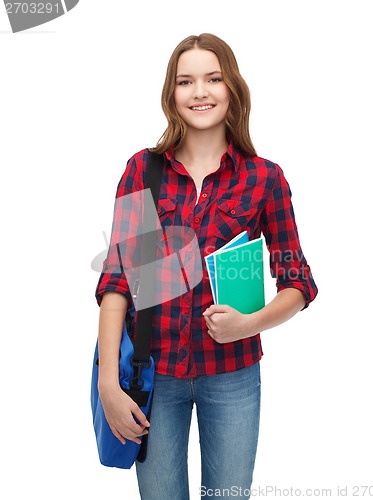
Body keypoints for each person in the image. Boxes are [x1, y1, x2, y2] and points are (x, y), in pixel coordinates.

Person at [95, 33, 318, 500]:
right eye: (186, 81)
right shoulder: (144, 170)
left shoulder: (264, 178)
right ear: (171, 95)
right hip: (152, 374)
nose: (200, 91)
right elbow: (118, 280)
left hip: (233, 376)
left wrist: (250, 323)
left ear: (232, 87)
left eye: (213, 78)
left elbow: (297, 282)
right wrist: (108, 384)